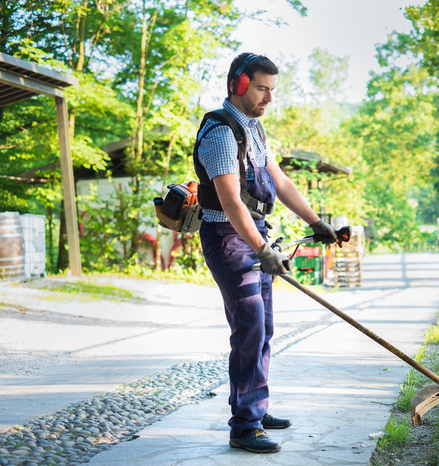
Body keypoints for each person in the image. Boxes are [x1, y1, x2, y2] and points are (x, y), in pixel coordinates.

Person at [194, 52, 337, 454]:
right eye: (261, 88)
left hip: (255, 233)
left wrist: (314, 222)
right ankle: (244, 424)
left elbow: (281, 181)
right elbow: (231, 201)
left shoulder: (254, 130)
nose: (269, 99)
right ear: (238, 84)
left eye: (272, 90)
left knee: (264, 325)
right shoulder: (221, 133)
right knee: (249, 324)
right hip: (228, 235)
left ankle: (255, 406)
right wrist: (262, 249)